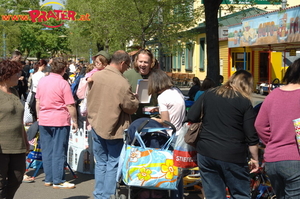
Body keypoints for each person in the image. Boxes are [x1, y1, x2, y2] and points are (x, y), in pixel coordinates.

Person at [187, 70, 259, 199]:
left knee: (214, 195)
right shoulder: (244, 102)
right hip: (233, 155)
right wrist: (255, 159)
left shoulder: (209, 94)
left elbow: (191, 115)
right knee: (240, 194)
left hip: (206, 152)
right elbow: (251, 135)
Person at [87, 50, 139, 199]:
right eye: (127, 65)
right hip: (114, 128)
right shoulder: (121, 82)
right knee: (113, 163)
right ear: (122, 63)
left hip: (96, 125)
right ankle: (107, 195)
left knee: (101, 162)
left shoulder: (96, 76)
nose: (127, 69)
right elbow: (130, 107)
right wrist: (135, 99)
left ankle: (99, 194)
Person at [255, 58, 300, 198]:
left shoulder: (273, 95)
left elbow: (259, 124)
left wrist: (273, 141)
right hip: (295, 158)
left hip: (273, 158)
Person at [35, 57, 78, 189]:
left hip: (44, 118)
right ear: (64, 69)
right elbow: (70, 105)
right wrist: (74, 120)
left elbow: (38, 101)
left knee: (47, 150)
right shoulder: (63, 83)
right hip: (59, 119)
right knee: (59, 150)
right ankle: (58, 179)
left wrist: (39, 116)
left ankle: (49, 178)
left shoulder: (43, 80)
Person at [147, 69, 186, 199]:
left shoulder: (162, 97)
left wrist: (153, 119)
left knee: (167, 171)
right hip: (180, 135)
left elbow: (165, 122)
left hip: (169, 136)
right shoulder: (177, 92)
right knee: (177, 172)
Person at [0, 59, 30, 199]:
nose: (19, 76)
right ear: (6, 74)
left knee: (17, 179)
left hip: (17, 146)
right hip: (2, 147)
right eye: (16, 73)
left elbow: (19, 120)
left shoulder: (15, 93)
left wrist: (25, 140)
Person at [123, 49, 157, 120]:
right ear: (136, 61)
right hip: (133, 116)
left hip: (152, 116)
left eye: (146, 62)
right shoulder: (127, 75)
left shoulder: (156, 75)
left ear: (151, 62)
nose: (143, 64)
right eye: (140, 61)